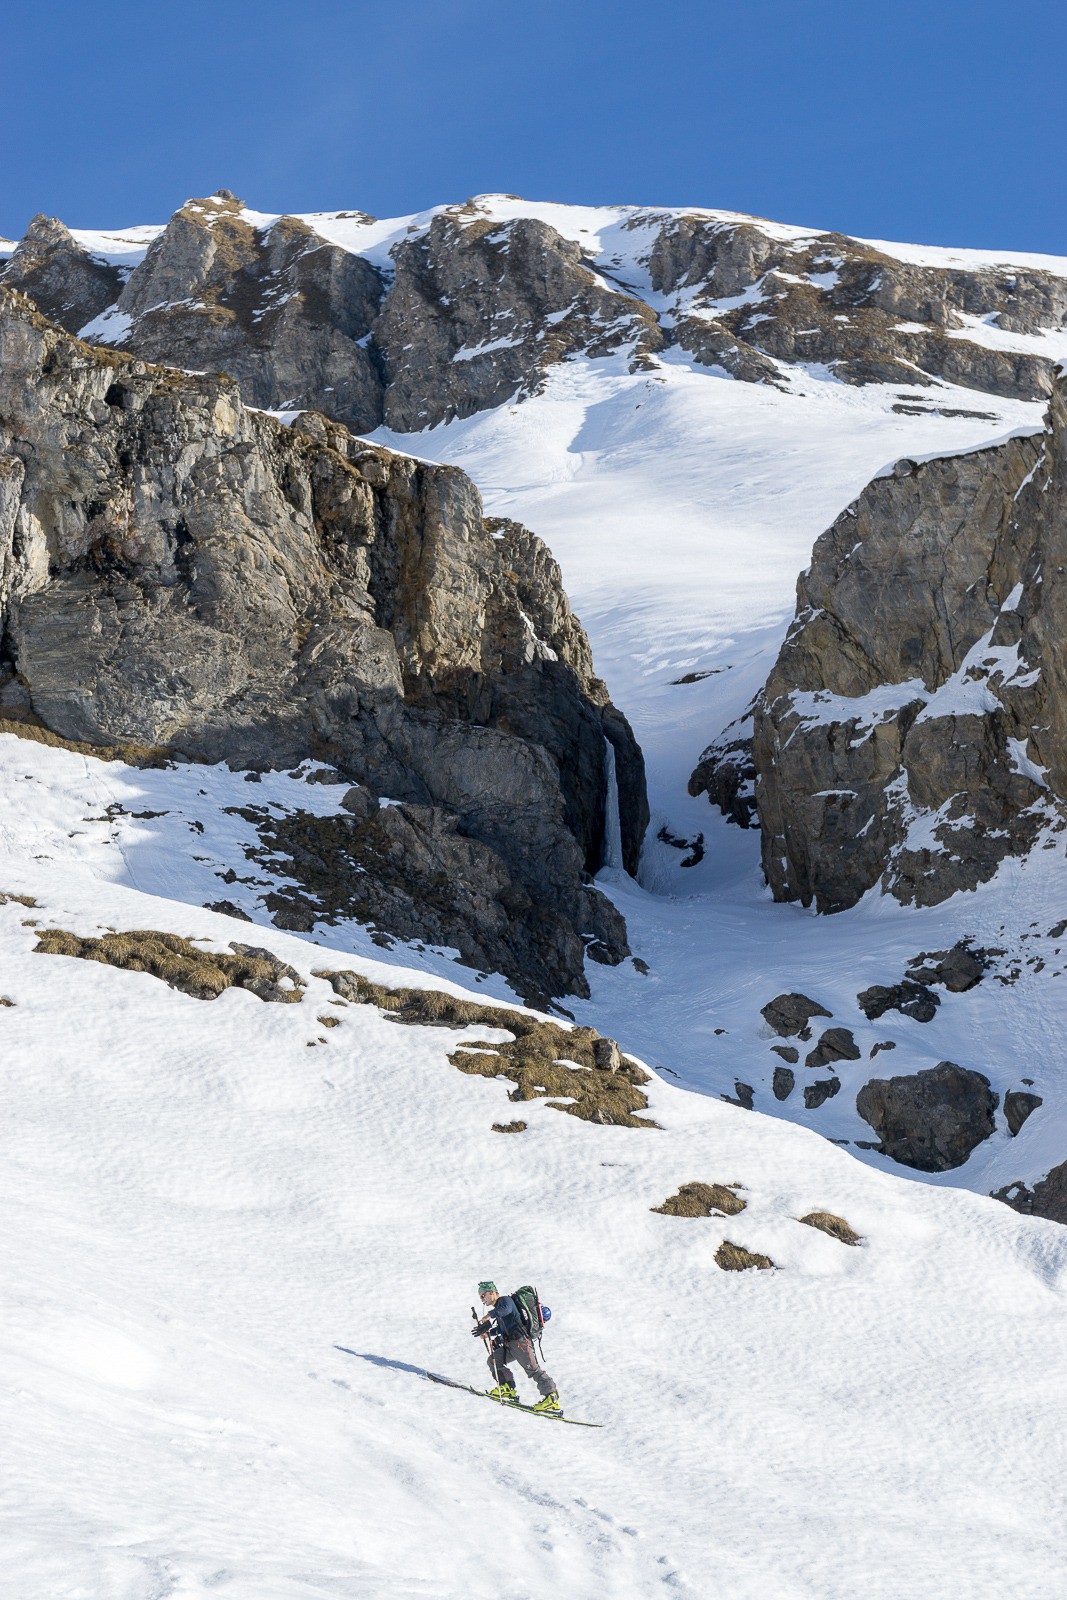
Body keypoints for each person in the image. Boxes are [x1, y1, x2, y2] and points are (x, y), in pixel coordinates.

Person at [472, 1280, 561, 1414]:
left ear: (491, 1292)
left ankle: (551, 1398)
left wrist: (489, 1315)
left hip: (521, 1342)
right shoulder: (499, 1309)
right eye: (480, 1297)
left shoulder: (505, 1301)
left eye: (483, 1296)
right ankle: (507, 1388)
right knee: (494, 1360)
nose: (482, 1300)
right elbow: (502, 1328)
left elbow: (506, 1309)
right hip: (510, 1344)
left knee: (533, 1370)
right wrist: (488, 1333)